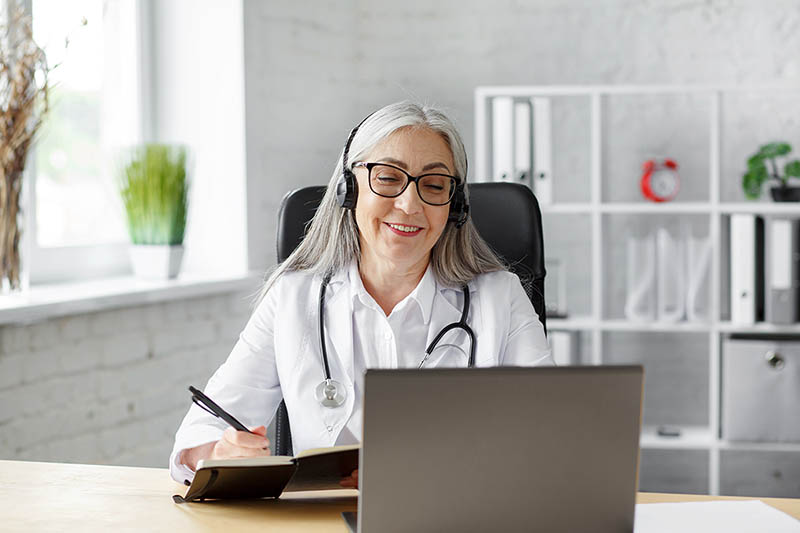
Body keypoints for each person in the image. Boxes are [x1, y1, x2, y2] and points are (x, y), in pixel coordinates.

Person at [169, 101, 552, 487]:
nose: (409, 204)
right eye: (387, 178)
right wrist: (219, 452)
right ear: (348, 189)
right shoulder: (292, 299)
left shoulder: (500, 298)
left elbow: (551, 436)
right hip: (325, 521)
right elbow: (201, 431)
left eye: (434, 185)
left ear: (455, 206)